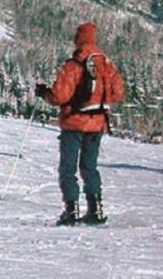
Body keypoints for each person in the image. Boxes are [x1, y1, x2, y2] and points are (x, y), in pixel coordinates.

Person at [36, 22, 125, 225]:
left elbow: (59, 96)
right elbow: (119, 92)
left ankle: (71, 209)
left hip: (74, 123)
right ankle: (96, 208)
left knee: (68, 169)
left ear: (78, 39)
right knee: (89, 168)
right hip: (97, 123)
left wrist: (44, 93)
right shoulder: (106, 64)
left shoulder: (73, 65)